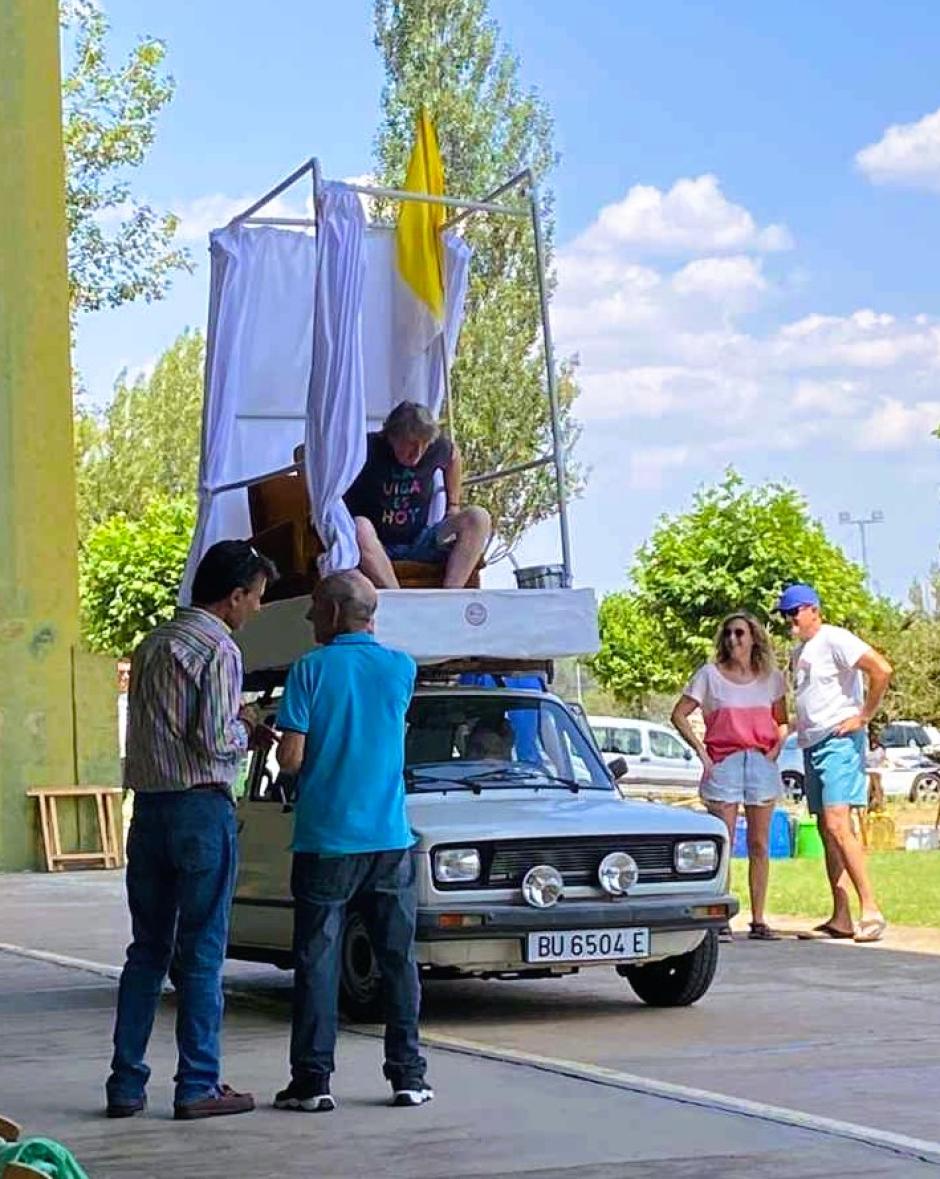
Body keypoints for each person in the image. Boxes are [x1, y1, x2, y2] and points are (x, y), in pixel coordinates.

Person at [106, 540, 277, 1121]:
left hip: (149, 811)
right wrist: (247, 727)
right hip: (201, 811)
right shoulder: (220, 650)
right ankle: (198, 1083)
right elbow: (212, 738)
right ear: (233, 597)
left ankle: (126, 1084)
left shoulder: (152, 643)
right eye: (255, 598)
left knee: (147, 951)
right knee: (202, 952)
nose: (256, 609)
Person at [272, 569, 431, 1112]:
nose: (310, 616)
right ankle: (408, 1074)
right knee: (397, 959)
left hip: (326, 840)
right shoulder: (401, 668)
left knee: (318, 960)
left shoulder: (310, 670)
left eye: (316, 606)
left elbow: (290, 758)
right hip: (390, 838)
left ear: (337, 612)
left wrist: (278, 744)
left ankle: (313, 1082)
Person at [777, 583, 893, 943]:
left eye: (794, 612)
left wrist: (864, 715)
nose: (789, 620)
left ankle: (871, 910)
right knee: (828, 830)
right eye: (785, 614)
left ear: (813, 609)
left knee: (840, 825)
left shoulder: (835, 639)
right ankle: (841, 916)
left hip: (839, 743)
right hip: (813, 745)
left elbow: (881, 670)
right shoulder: (801, 652)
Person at [672, 612, 788, 942]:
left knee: (759, 843)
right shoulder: (709, 676)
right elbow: (679, 714)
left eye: (740, 633)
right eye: (728, 634)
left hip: (760, 763)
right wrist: (702, 753)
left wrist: (775, 749)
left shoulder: (771, 678)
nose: (733, 639)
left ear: (754, 638)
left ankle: (759, 918)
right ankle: (720, 917)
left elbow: (782, 719)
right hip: (724, 762)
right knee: (722, 842)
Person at [344, 400, 490, 589]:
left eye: (425, 445)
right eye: (411, 444)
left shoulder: (435, 448)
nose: (418, 453)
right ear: (392, 436)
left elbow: (454, 456)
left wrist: (453, 505)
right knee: (359, 526)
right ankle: (401, 599)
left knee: (478, 517)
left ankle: (449, 597)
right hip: (377, 546)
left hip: (420, 540)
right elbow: (312, 455)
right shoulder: (366, 447)